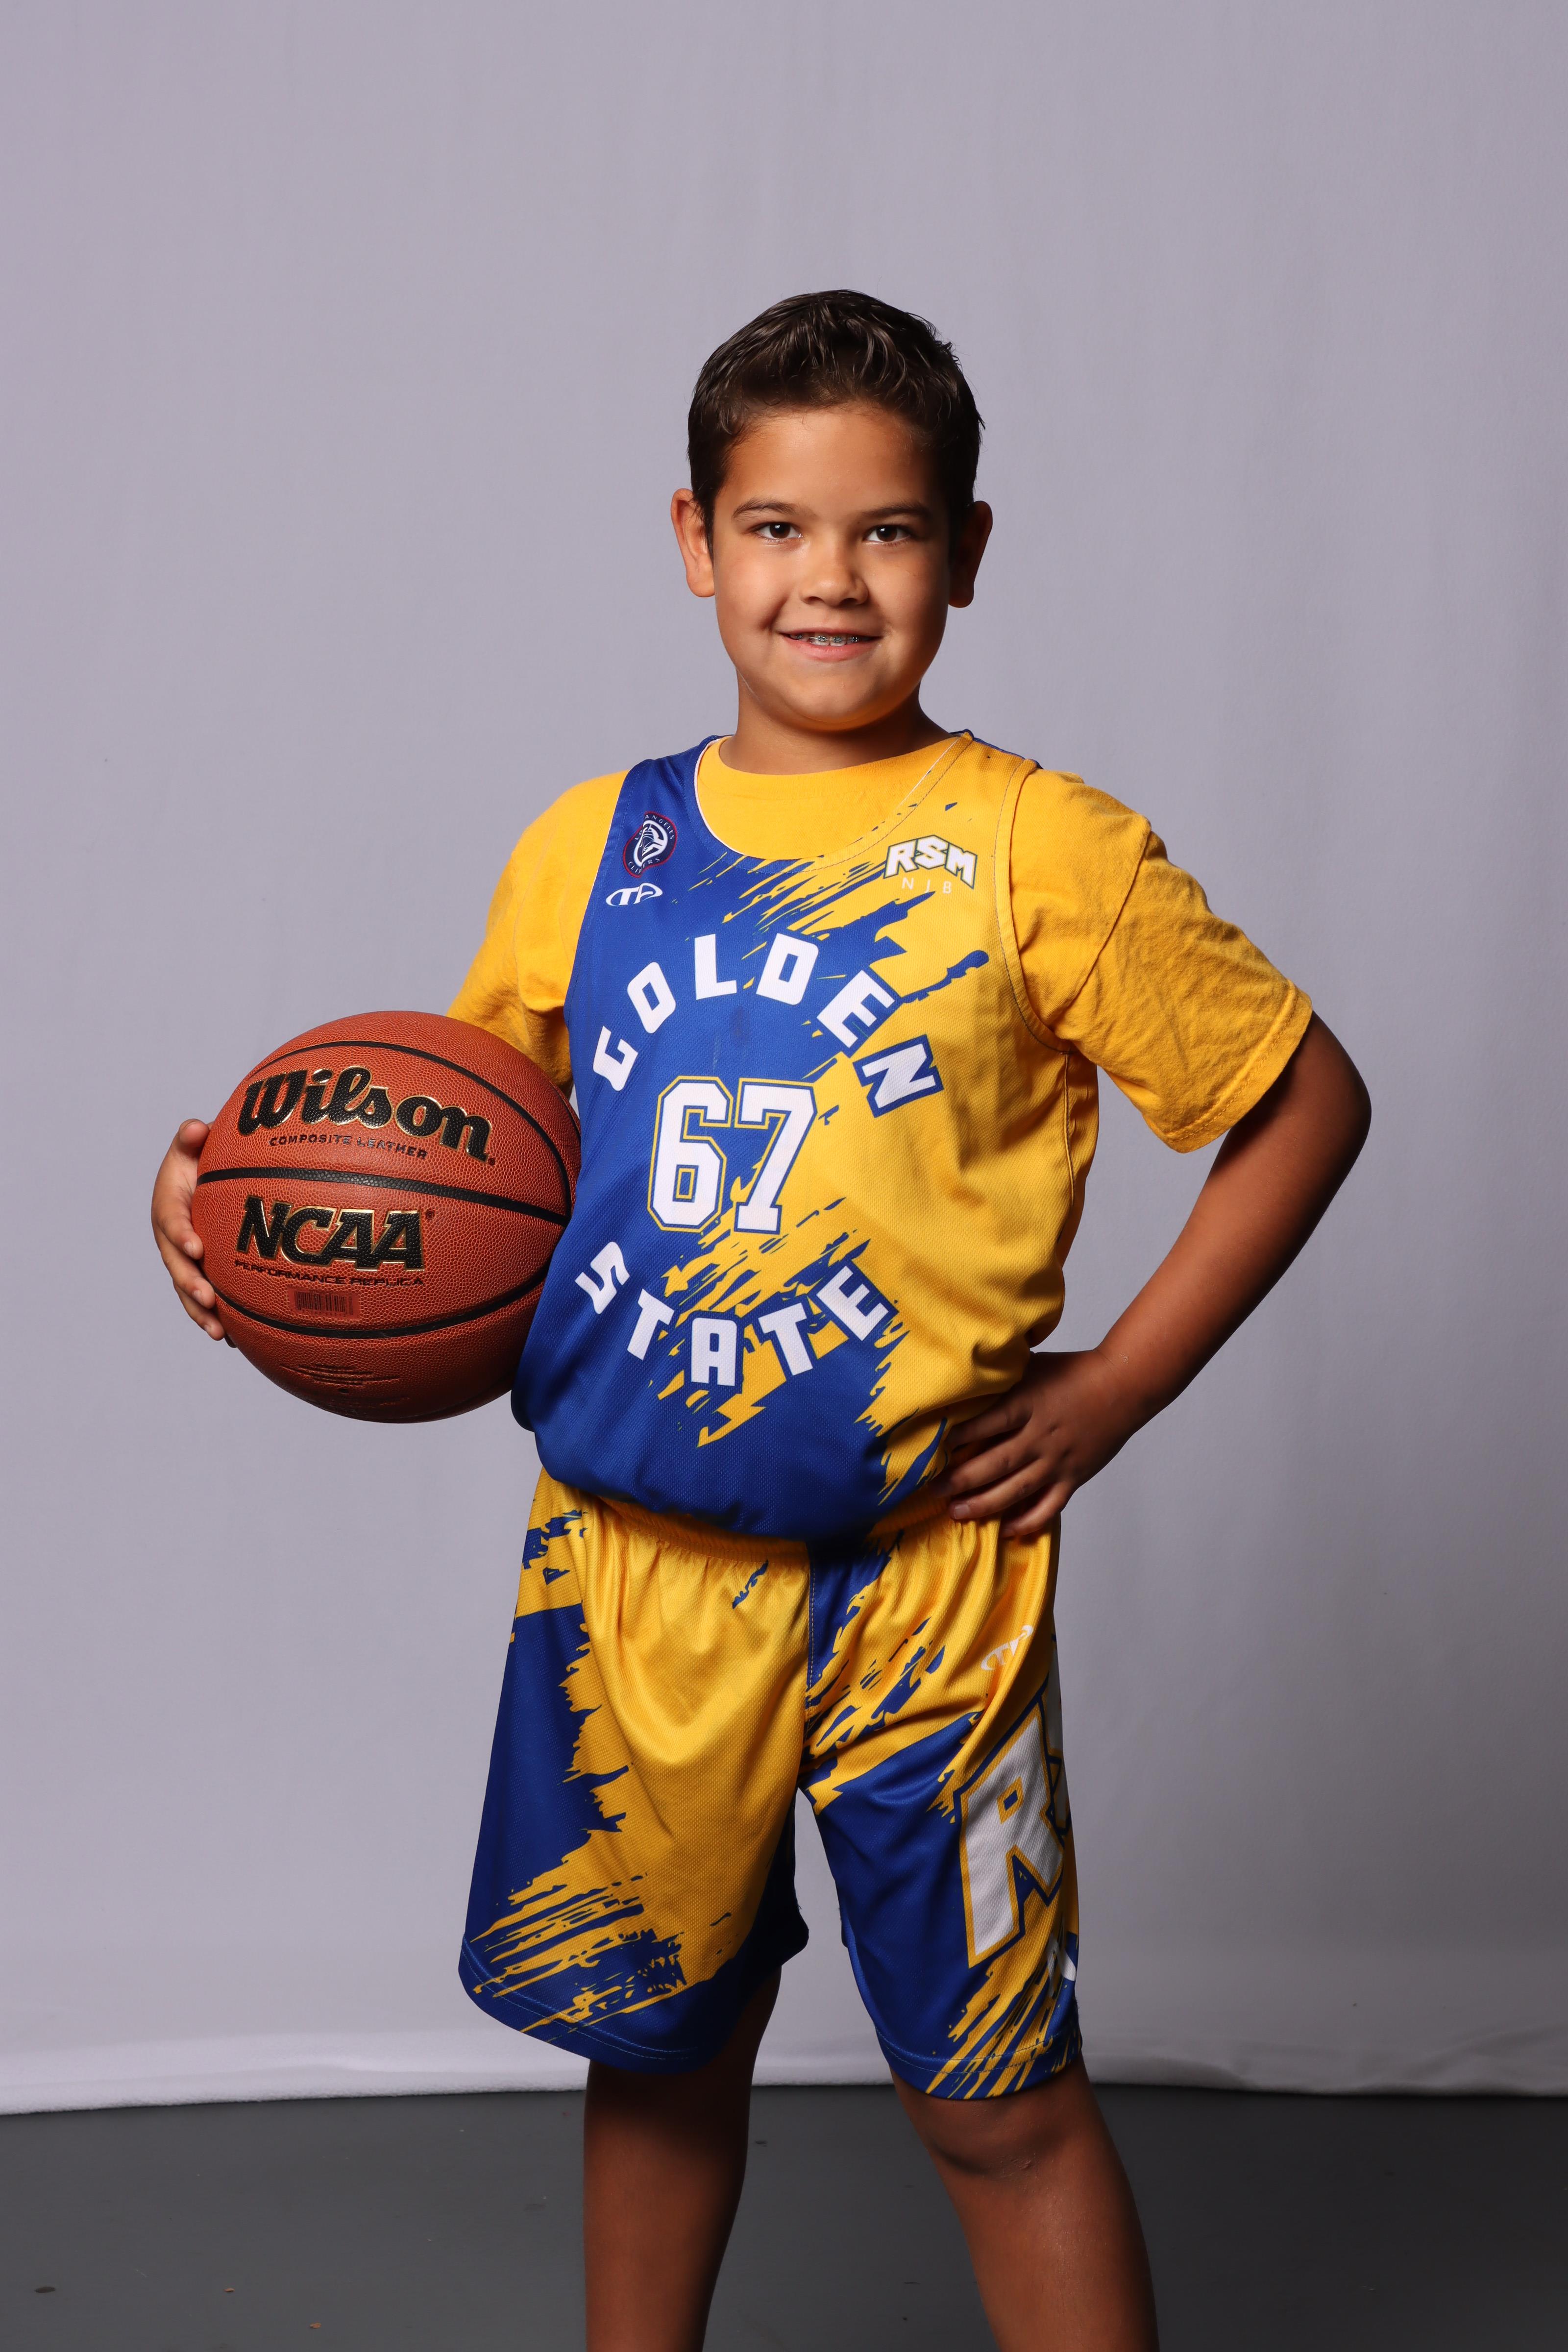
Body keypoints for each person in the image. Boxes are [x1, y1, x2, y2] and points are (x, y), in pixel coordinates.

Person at [152, 290, 1370, 2351]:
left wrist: (1119, 1390)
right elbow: (424, 1174)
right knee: (657, 2065)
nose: (830, 578)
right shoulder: (590, 847)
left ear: (965, 553)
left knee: (999, 2104)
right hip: (629, 1582)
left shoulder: (1036, 847)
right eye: (778, 527)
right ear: (694, 540)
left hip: (929, 1594)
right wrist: (227, 1210)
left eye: (887, 531)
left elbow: (1302, 1100)